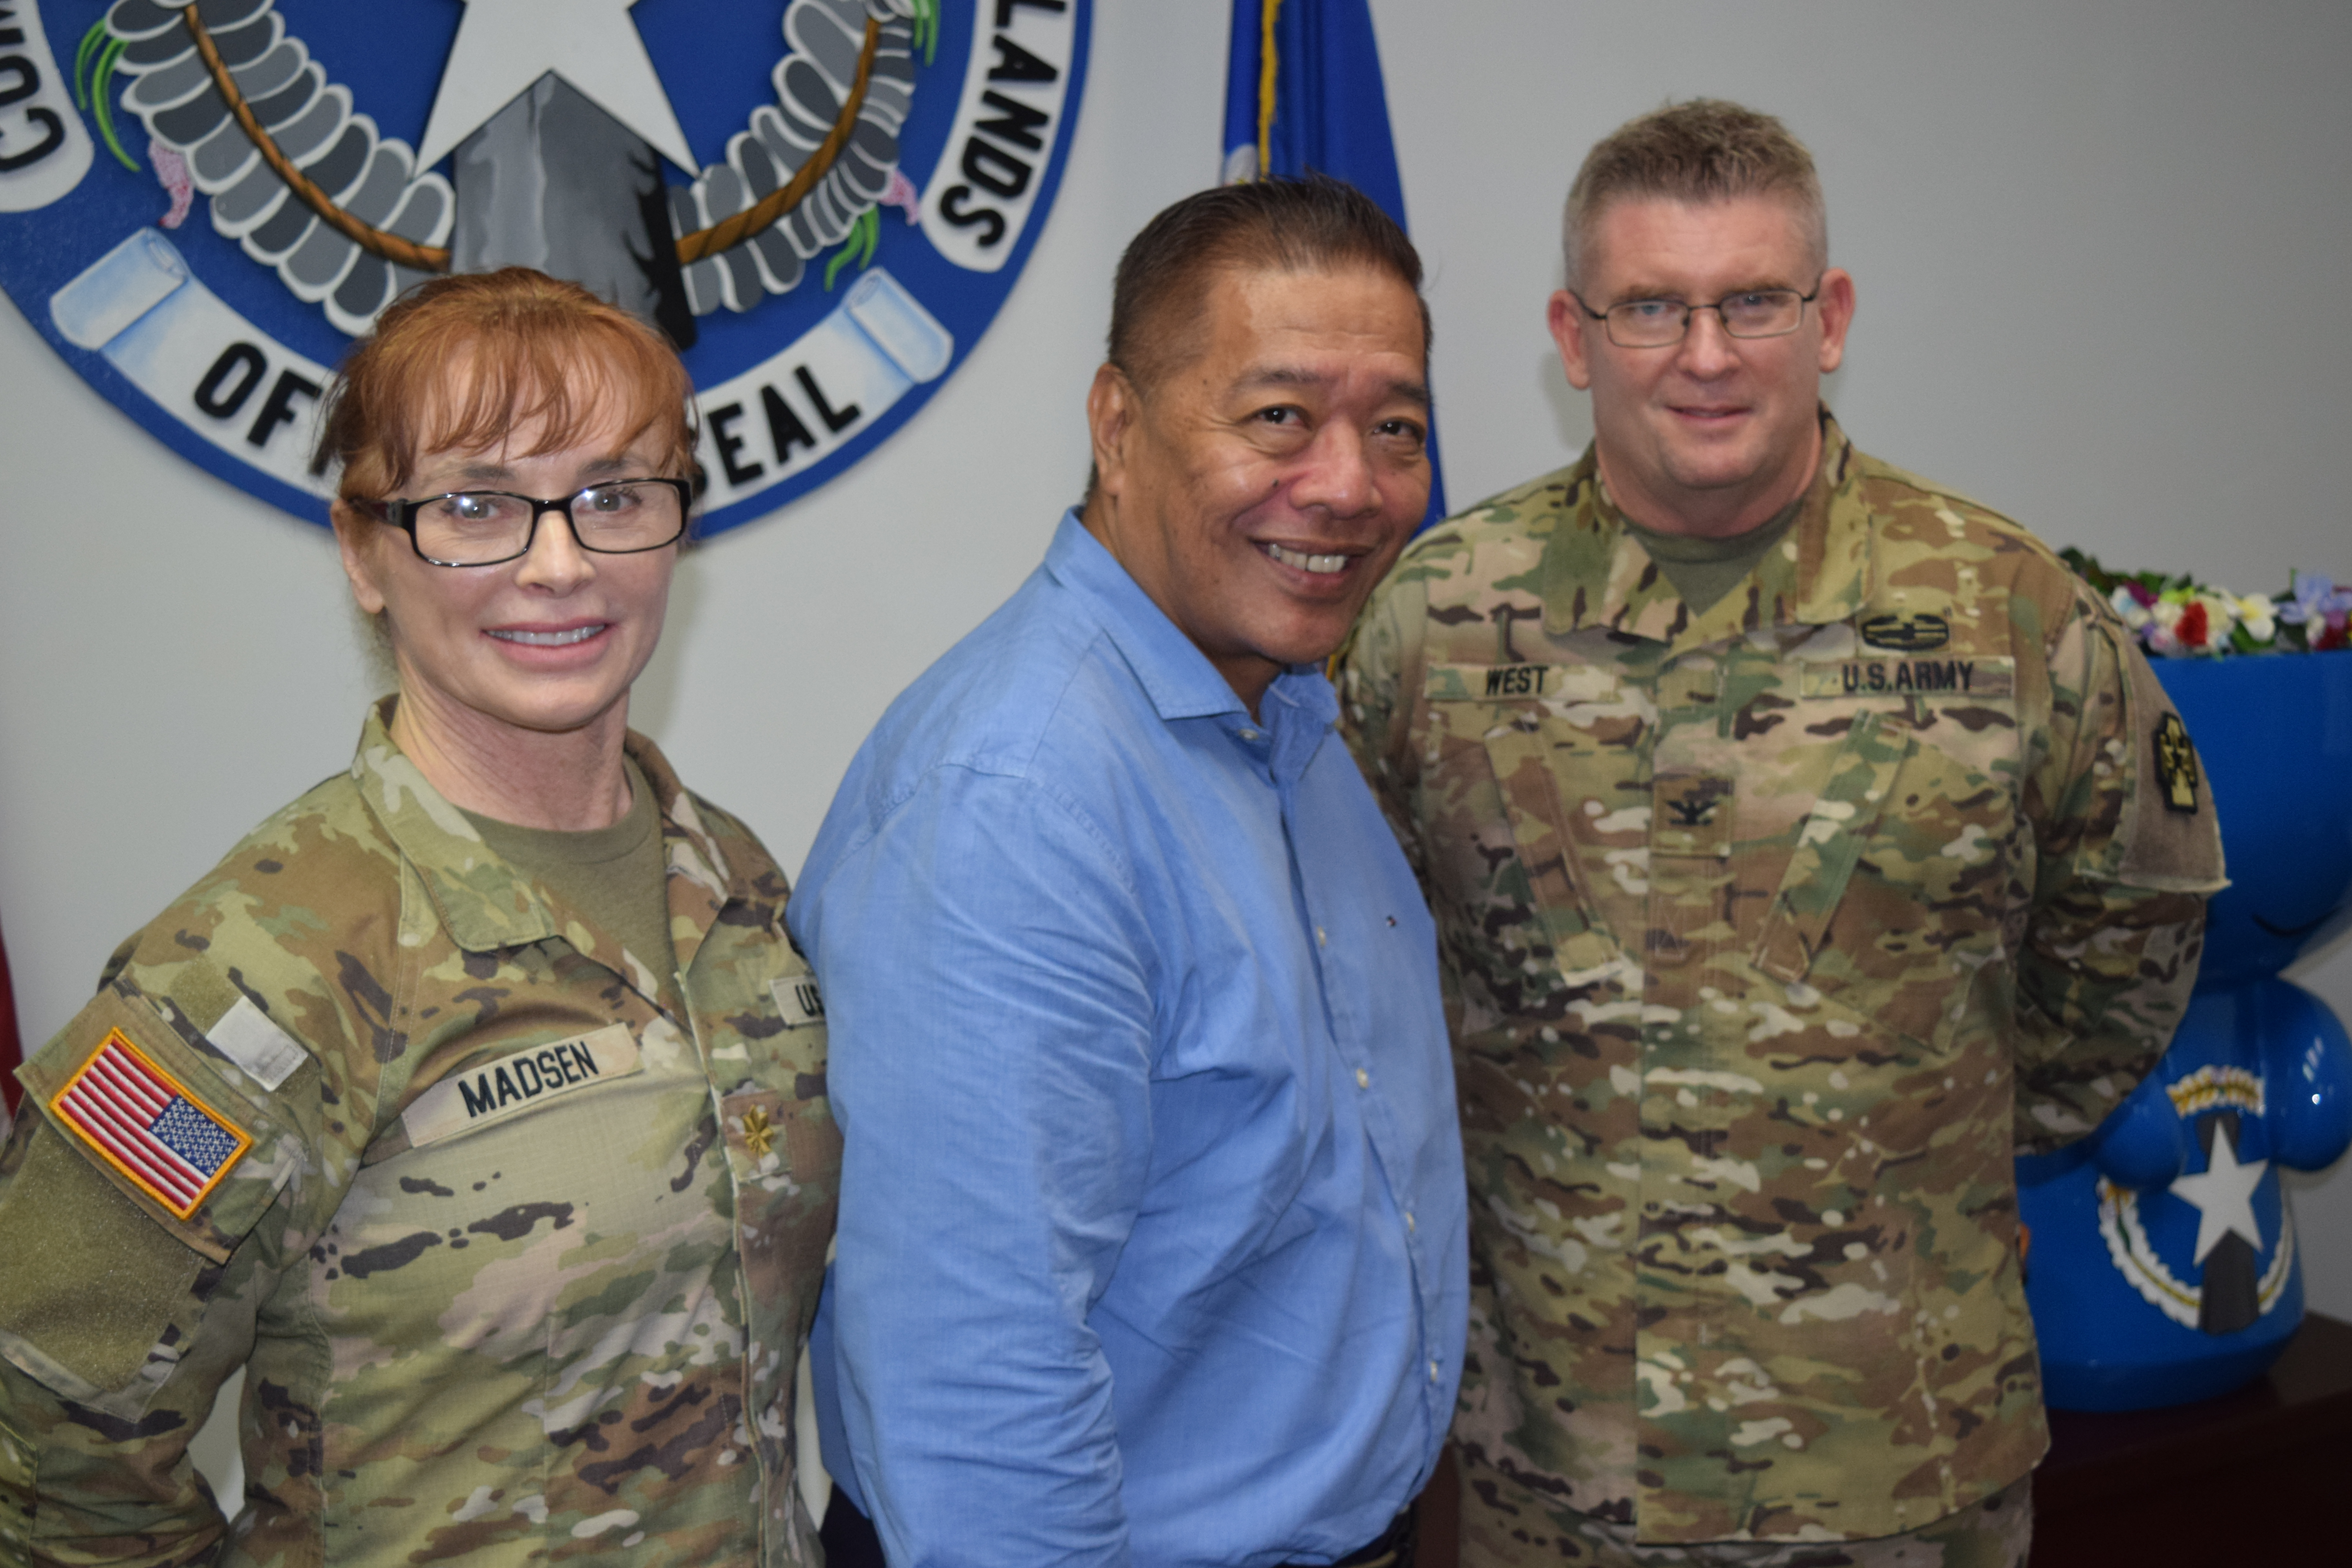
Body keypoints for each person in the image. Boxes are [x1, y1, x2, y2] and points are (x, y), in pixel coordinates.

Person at [1339, 101, 2226, 1568]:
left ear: (1831, 319)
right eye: (1652, 308)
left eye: (1755, 299)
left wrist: (1927, 1160)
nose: (1706, 354)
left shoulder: (2009, 615)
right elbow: (1352, 978)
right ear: (1573, 335)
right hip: (1555, 1466)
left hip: (1901, 1463)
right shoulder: (1431, 625)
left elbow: (2130, 928)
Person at [0, 268, 837, 1565]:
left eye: (615, 497)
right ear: (364, 554)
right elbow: (43, 1441)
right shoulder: (253, 970)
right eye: (476, 507)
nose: (558, 563)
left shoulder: (734, 883)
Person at [789, 177, 1469, 1568]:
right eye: (1278, 416)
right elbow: (979, 1410)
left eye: (1393, 428)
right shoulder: (1020, 802)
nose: (1348, 483)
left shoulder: (1282, 722)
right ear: (1118, 426)